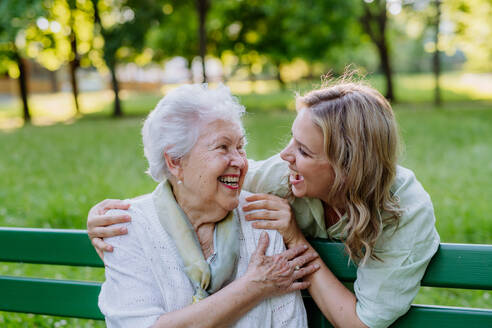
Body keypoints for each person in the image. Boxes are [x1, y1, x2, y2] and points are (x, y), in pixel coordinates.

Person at [89, 77, 440, 328]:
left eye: (303, 151)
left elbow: (358, 323)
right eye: (292, 141)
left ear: (346, 167)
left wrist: (295, 240)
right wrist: (104, 220)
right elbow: (194, 183)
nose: (284, 156)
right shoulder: (279, 178)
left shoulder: (404, 212)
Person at [95, 84, 318, 328]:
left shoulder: (261, 219)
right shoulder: (126, 227)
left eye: (240, 147)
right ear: (175, 161)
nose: (240, 161)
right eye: (223, 147)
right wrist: (254, 286)